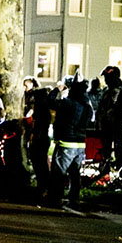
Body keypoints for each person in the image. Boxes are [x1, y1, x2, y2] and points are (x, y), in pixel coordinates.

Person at [47, 80, 93, 208]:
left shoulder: (68, 104)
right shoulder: (87, 107)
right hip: (80, 144)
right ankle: (74, 199)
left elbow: (50, 102)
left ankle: (55, 199)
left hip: (66, 143)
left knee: (59, 173)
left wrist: (57, 89)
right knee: (75, 173)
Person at [96, 65, 122, 176]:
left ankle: (121, 170)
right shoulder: (106, 90)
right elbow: (101, 108)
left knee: (120, 147)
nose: (105, 80)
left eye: (107, 77)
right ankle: (105, 169)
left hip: (118, 124)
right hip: (106, 125)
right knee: (106, 148)